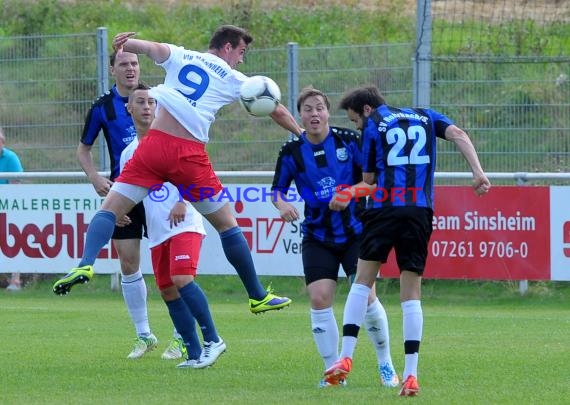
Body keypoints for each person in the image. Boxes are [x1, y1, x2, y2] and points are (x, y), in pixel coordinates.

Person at [53, 25, 303, 315]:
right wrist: (301, 134)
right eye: (241, 52)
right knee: (227, 225)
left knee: (108, 210)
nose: (241, 60)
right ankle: (257, 295)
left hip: (152, 146)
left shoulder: (182, 55)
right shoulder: (235, 78)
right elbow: (277, 109)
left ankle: (84, 263)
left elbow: (152, 47)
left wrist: (128, 41)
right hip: (187, 154)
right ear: (227, 48)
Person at [323, 86, 491, 396]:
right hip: (419, 211)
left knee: (362, 281)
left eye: (355, 120)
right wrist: (477, 172)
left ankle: (345, 357)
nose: (357, 126)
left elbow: (370, 183)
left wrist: (347, 193)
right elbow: (459, 135)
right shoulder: (426, 117)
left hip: (385, 208)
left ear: (367, 110)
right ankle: (411, 375)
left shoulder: (374, 126)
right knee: (411, 291)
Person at [271, 87, 398, 388]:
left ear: (328, 112)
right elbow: (277, 190)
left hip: (357, 232)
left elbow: (374, 183)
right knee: (319, 298)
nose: (314, 114)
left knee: (366, 297)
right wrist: (282, 204)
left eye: (319, 108)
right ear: (300, 115)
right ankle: (333, 373)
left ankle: (386, 364)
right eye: (308, 109)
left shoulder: (351, 140)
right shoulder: (290, 151)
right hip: (317, 235)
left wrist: (350, 193)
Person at [120, 83, 225, 368]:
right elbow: (128, 190)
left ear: (158, 107)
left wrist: (183, 200)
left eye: (150, 102)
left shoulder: (174, 139)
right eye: (139, 102)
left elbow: (197, 172)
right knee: (167, 290)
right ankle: (192, 354)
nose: (146, 107)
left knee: (182, 279)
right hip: (157, 231)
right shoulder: (129, 152)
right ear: (128, 108)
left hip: (184, 222)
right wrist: (120, 211)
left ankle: (212, 340)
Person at [74, 50, 158, 359]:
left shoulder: (155, 99)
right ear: (112, 70)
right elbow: (83, 150)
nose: (130, 68)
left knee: (173, 265)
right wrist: (96, 178)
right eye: (123, 64)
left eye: (134, 63)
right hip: (126, 192)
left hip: (161, 191)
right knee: (128, 262)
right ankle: (144, 334)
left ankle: (182, 336)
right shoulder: (102, 107)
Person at [0, 127, 24, 291]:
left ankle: (16, 281)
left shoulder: (10, 158)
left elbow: (15, 188)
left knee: (16, 235)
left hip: (8, 208)